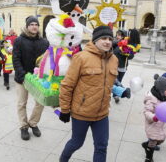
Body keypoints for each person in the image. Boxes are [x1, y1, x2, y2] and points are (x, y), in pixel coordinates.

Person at [59, 26, 118, 162]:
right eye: (103, 38)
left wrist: (120, 90)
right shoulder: (81, 57)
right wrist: (65, 110)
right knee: (76, 143)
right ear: (95, 40)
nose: (107, 42)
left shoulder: (114, 59)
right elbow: (67, 85)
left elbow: (109, 83)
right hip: (82, 113)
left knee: (102, 146)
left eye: (110, 38)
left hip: (102, 114)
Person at [13, 16, 49, 141]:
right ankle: (23, 126)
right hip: (22, 78)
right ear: (27, 26)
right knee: (22, 103)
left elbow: (47, 60)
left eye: (36, 24)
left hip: (38, 79)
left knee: (40, 102)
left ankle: (33, 123)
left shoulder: (44, 42)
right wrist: (23, 76)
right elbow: (16, 59)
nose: (34, 26)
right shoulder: (19, 40)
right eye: (32, 24)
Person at [142, 75, 166, 162]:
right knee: (153, 141)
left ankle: (147, 144)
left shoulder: (165, 97)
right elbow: (146, 112)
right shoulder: (151, 99)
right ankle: (148, 158)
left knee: (160, 140)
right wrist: (154, 117)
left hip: (161, 124)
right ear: (161, 89)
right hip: (152, 124)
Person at [112, 29, 134, 104]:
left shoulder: (128, 45)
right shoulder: (115, 43)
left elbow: (131, 56)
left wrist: (126, 53)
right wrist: (119, 43)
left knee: (119, 80)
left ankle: (116, 94)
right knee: (115, 80)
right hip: (114, 66)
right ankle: (116, 95)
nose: (118, 36)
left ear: (123, 36)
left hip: (122, 67)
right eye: (117, 35)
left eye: (120, 35)